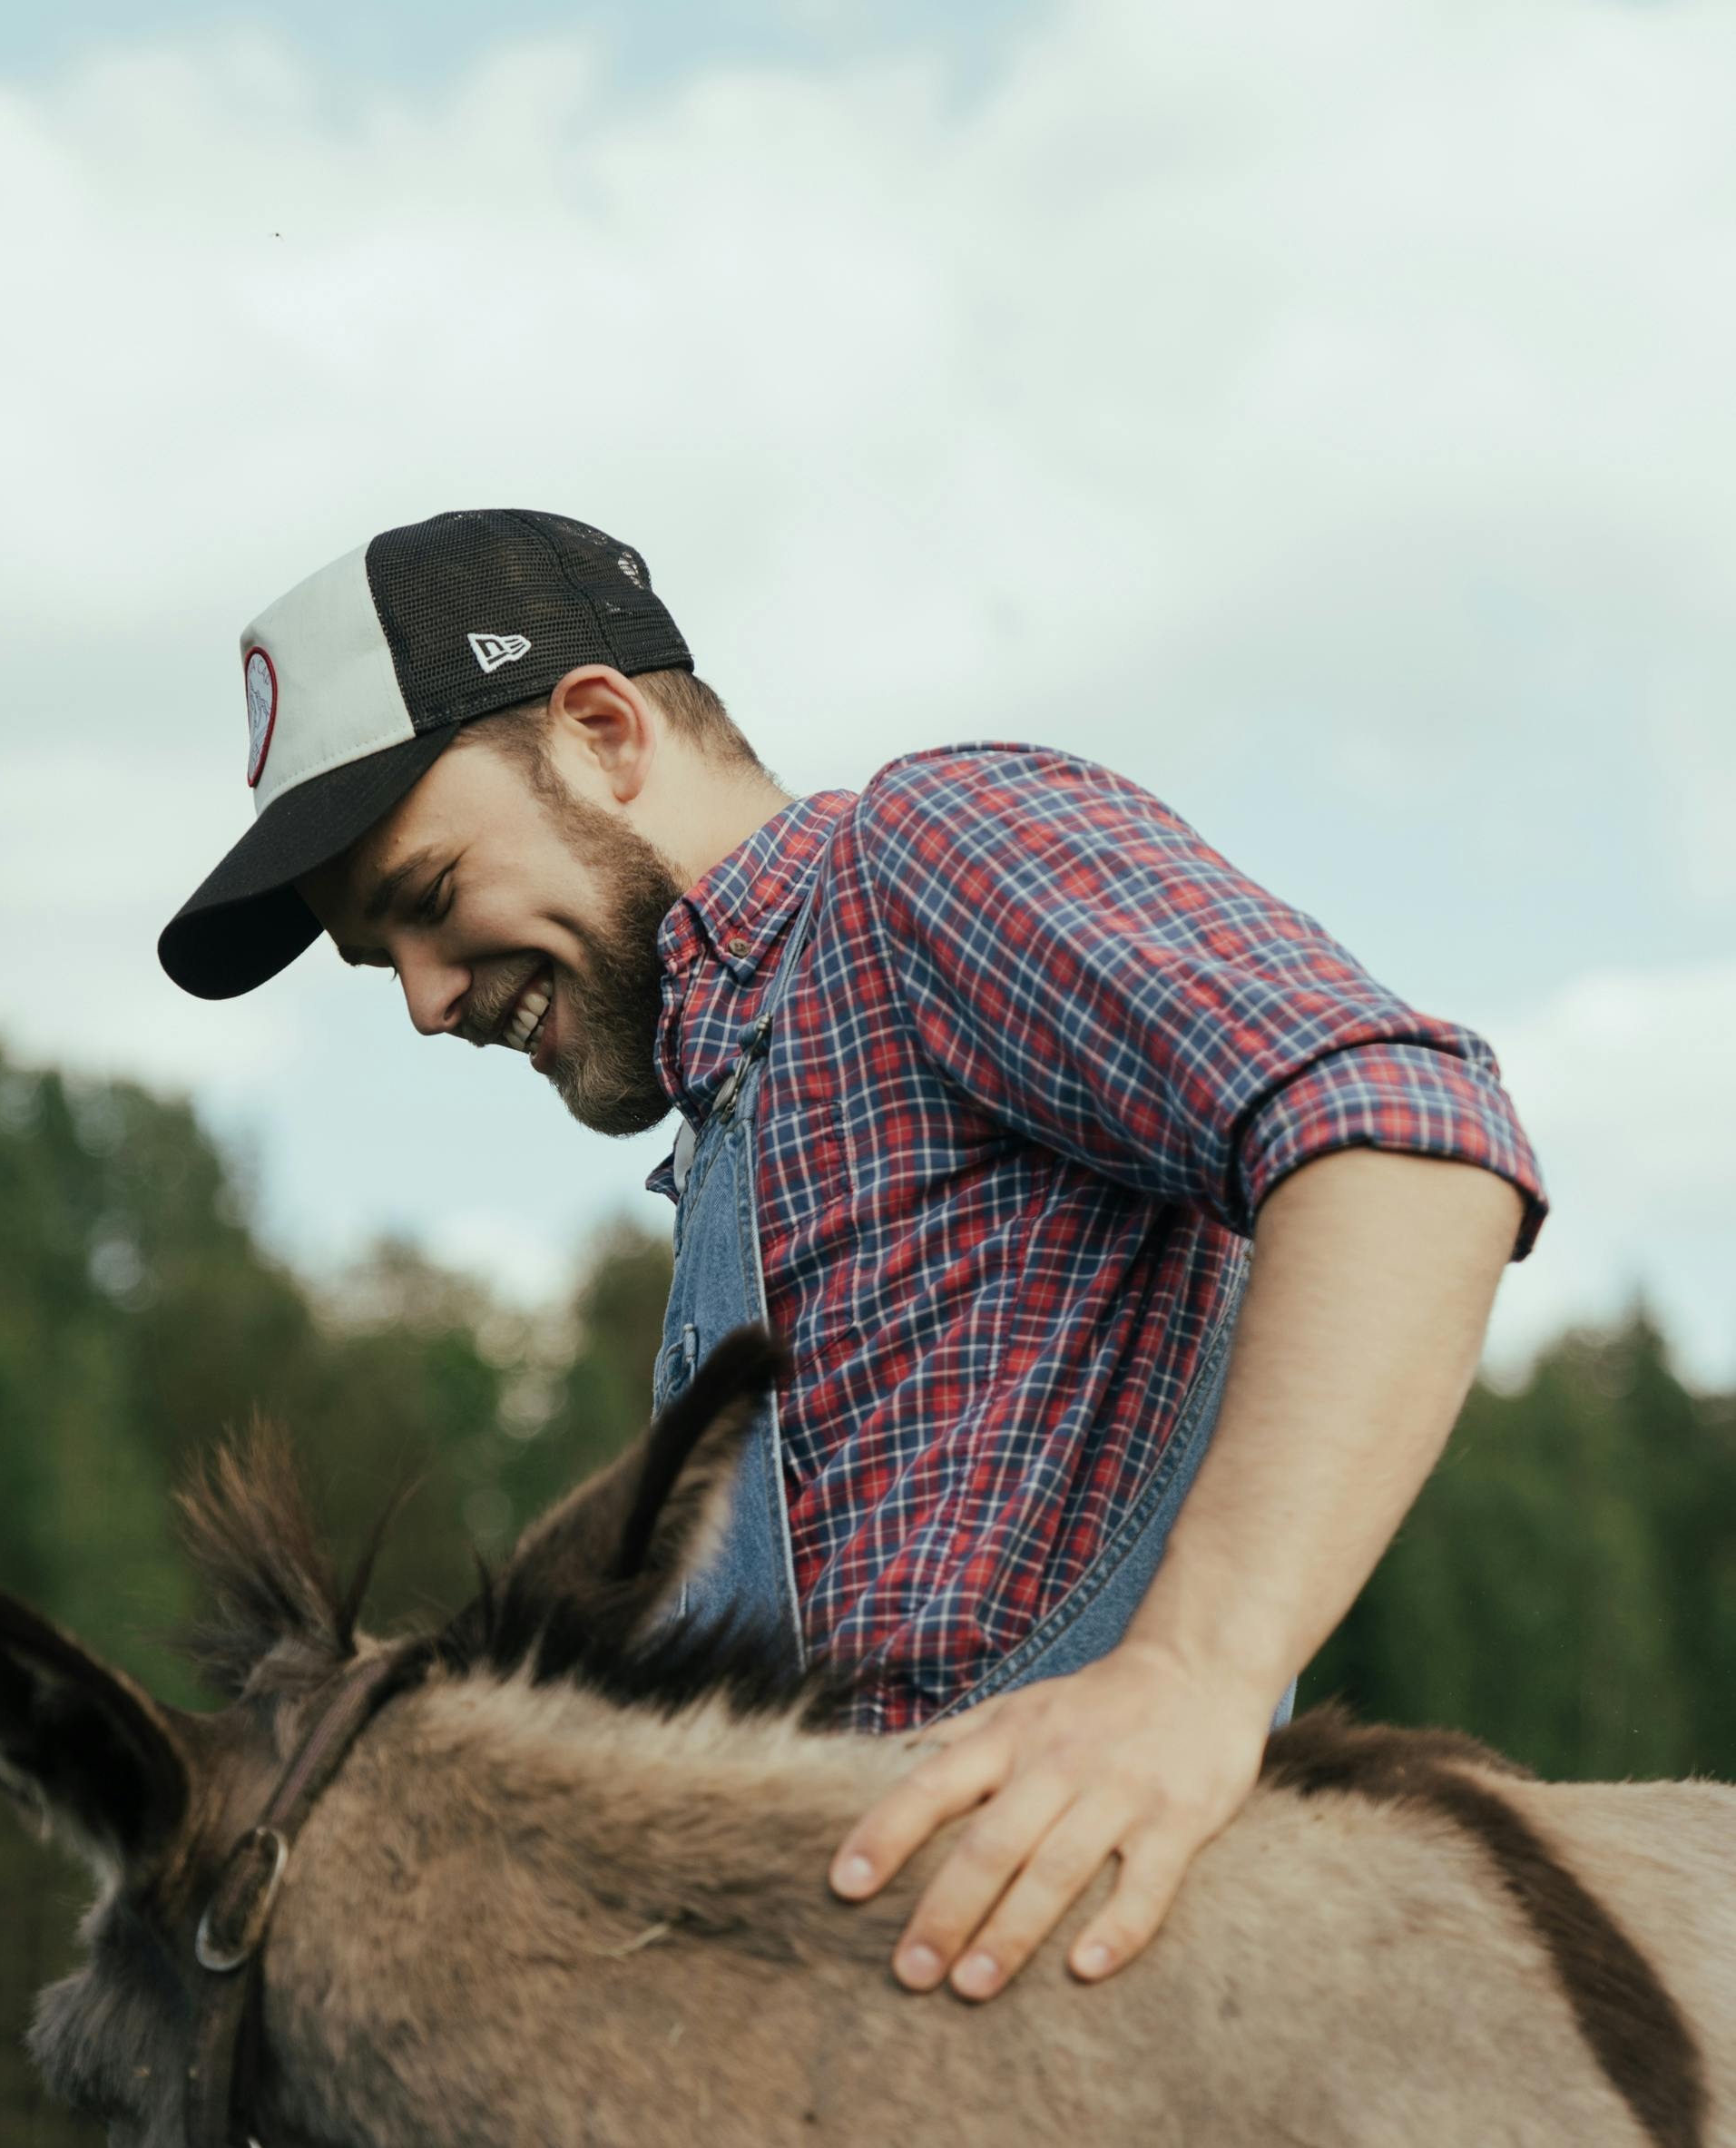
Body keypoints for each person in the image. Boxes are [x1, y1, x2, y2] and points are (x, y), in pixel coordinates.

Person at [158, 507, 1543, 2002]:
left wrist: (1190, 1678)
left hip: (1090, 2024)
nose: (426, 1003)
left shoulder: (923, 859)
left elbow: (1398, 1130)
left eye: (427, 900)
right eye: (385, 967)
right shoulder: (728, 1137)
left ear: (605, 731)